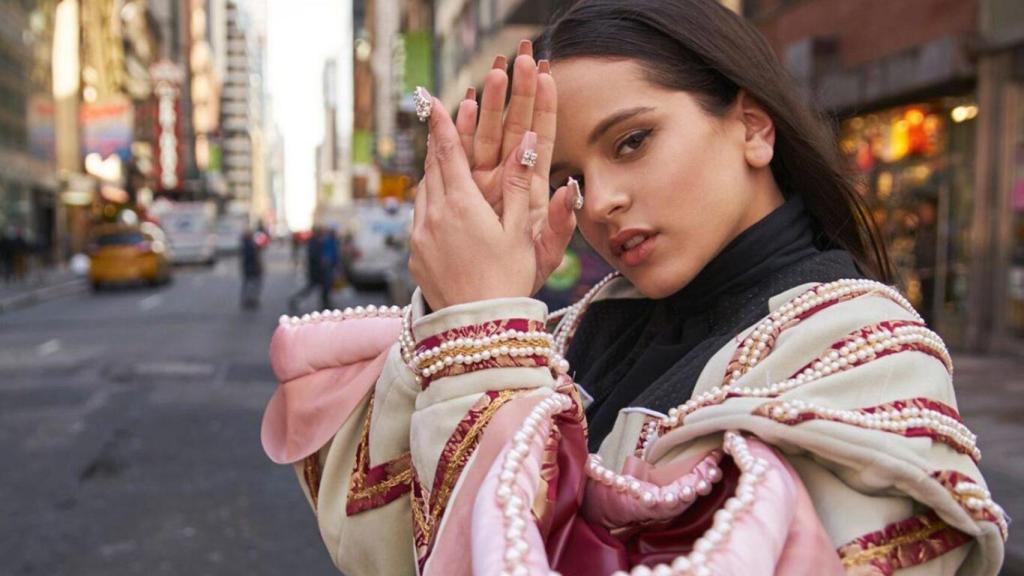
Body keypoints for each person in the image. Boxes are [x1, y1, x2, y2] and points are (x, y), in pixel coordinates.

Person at [261, 1, 1006, 574]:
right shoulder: (575, 328)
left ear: (752, 126)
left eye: (632, 142)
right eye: (570, 178)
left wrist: (482, 342)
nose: (604, 198)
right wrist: (470, 314)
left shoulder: (868, 355)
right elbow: (387, 548)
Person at [240, 228, 264, 309]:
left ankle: (248, 299)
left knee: (248, 284)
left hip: (247, 268)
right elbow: (255, 257)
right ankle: (251, 299)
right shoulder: (251, 245)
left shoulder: (245, 244)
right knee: (254, 284)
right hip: (252, 268)